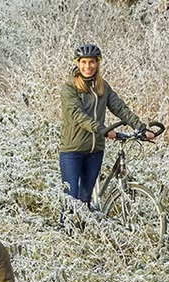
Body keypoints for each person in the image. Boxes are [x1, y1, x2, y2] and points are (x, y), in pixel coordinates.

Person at [59, 42, 145, 208]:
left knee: (85, 200)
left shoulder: (102, 86)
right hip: (72, 150)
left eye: (91, 62)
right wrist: (102, 130)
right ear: (77, 63)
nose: (88, 66)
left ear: (97, 63)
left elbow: (120, 108)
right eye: (83, 62)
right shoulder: (70, 88)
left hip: (95, 150)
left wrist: (140, 127)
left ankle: (83, 230)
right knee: (71, 200)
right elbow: (78, 115)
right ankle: (67, 231)